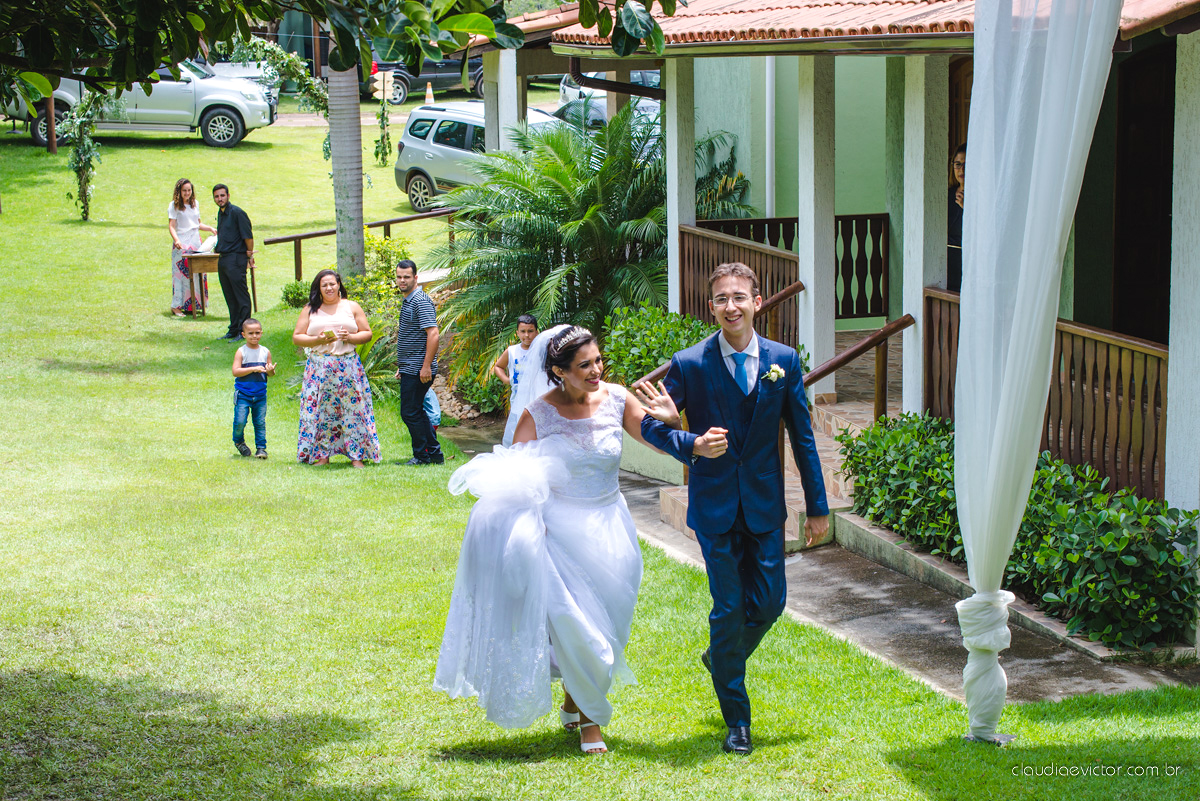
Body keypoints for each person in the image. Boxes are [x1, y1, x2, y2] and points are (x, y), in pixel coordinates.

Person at [634, 262, 830, 756]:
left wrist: (817, 508)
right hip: (715, 507)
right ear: (711, 306)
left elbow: (804, 439)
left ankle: (720, 658)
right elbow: (651, 425)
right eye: (721, 298)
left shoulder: (782, 361)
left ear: (757, 302)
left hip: (765, 506)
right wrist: (690, 442)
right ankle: (737, 721)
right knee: (727, 609)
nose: (731, 306)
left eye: (739, 296)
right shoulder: (690, 364)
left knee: (769, 604)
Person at [435, 325, 660, 755]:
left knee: (610, 624)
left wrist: (672, 423)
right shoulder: (537, 414)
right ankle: (592, 723)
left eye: (598, 360)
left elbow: (656, 439)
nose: (597, 370)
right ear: (558, 371)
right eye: (584, 365)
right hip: (558, 534)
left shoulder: (616, 398)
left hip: (613, 527)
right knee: (579, 627)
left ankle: (574, 703)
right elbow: (514, 477)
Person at [293, 269, 381, 467]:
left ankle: (357, 456)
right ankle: (322, 456)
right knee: (322, 412)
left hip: (347, 366)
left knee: (353, 410)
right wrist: (317, 339)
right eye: (324, 285)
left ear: (339, 284)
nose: (329, 288)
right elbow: (297, 336)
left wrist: (349, 337)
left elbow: (367, 333)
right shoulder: (310, 309)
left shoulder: (351, 306)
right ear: (319, 288)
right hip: (319, 368)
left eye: (332, 284)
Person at [393, 260, 443, 465]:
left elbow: (433, 334)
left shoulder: (420, 301)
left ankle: (423, 456)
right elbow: (413, 337)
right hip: (411, 366)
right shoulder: (409, 300)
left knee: (410, 412)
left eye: (407, 276)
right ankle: (433, 454)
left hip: (419, 368)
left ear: (416, 278)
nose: (402, 280)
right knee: (415, 411)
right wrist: (403, 366)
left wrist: (425, 366)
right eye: (399, 277)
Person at [212, 184, 255, 341]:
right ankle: (233, 328)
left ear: (228, 196)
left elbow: (248, 237)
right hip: (223, 259)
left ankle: (244, 331)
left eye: (222, 195)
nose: (220, 199)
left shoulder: (237, 213)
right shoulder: (221, 213)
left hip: (236, 258)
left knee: (241, 296)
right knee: (230, 296)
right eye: (217, 196)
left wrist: (249, 256)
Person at [168, 178, 216, 316]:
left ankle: (195, 305)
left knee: (197, 272)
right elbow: (171, 226)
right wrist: (176, 240)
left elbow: (197, 224)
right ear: (179, 191)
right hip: (182, 242)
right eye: (184, 190)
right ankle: (176, 306)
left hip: (195, 241)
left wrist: (210, 229)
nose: (187, 193)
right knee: (180, 274)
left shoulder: (195, 204)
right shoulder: (174, 205)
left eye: (189, 190)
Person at [230, 318, 275, 459]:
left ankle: (261, 448)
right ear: (244, 334)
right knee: (240, 421)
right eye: (250, 333)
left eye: (257, 333)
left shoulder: (265, 351)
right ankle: (239, 442)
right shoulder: (241, 352)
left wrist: (270, 370)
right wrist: (253, 369)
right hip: (243, 394)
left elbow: (270, 374)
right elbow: (235, 371)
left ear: (261, 333)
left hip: (260, 394)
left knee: (260, 422)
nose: (254, 336)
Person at [493, 314, 539, 446]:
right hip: (518, 399)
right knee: (517, 429)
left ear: (537, 331)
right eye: (523, 332)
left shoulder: (541, 351)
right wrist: (507, 380)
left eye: (530, 331)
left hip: (536, 398)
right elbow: (498, 366)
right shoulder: (512, 351)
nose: (527, 336)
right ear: (517, 332)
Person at [948, 143, 966, 292]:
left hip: (965, 257)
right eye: (958, 164)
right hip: (947, 259)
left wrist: (966, 208)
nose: (962, 169)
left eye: (966, 164)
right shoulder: (948, 194)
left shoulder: (979, 194)